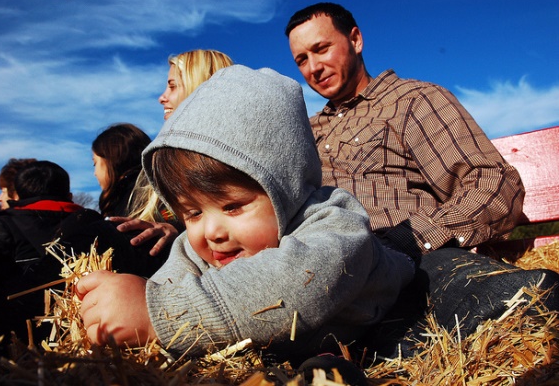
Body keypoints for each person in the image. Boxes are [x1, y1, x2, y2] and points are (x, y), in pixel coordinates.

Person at [76, 65, 415, 366]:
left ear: (286, 186)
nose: (211, 231)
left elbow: (297, 284)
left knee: (447, 285)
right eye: (192, 212)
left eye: (232, 206)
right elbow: (169, 286)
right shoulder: (194, 248)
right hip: (304, 350)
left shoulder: (334, 223)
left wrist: (158, 315)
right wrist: (121, 314)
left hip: (378, 313)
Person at [285, 2, 559, 357]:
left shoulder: (411, 101)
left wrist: (412, 239)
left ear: (355, 39)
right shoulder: (305, 133)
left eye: (321, 49)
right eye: (302, 60)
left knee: (515, 303)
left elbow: (492, 181)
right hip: (328, 278)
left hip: (410, 260)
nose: (313, 67)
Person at [0, 160, 165, 345]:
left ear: (17, 196)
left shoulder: (0, 224)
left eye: (95, 162)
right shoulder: (98, 226)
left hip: (21, 340)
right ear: (69, 195)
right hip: (94, 327)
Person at [111, 49, 234, 256]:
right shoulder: (160, 161)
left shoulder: (228, 158)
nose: (162, 98)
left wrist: (178, 234)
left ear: (199, 87)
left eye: (173, 86)